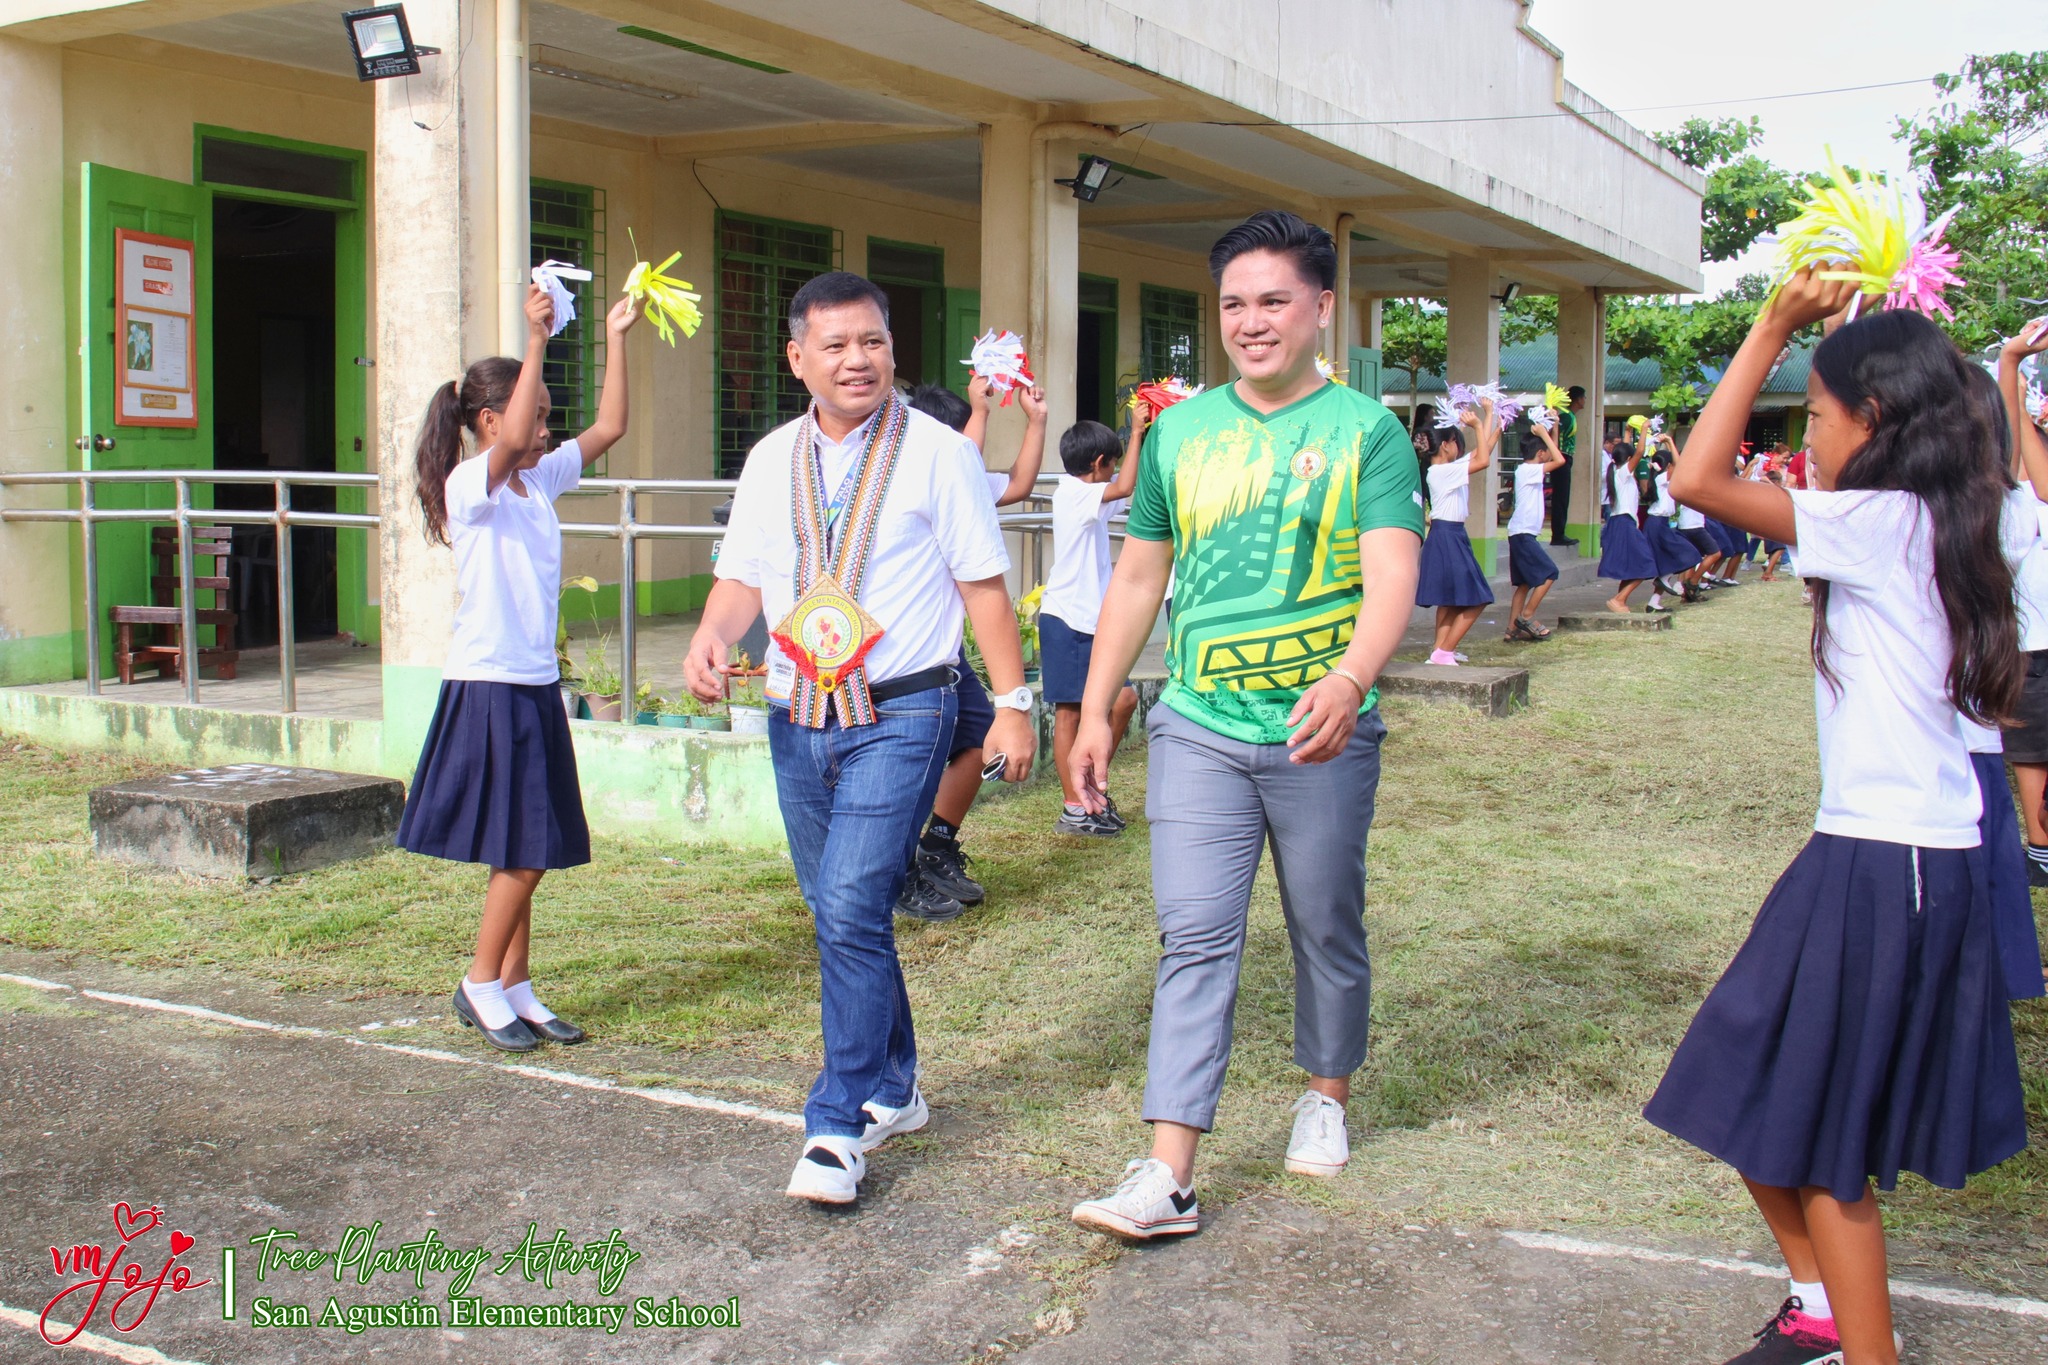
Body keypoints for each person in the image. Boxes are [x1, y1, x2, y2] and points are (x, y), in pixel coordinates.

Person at [1651, 271, 2027, 1365]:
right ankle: (1816, 1307)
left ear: (1871, 422)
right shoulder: (1948, 514)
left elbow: (1696, 478)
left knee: (1821, 1147)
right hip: (1886, 854)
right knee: (1735, 1077)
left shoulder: (1877, 519)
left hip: (1887, 863)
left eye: (1812, 414)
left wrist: (1769, 325)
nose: (1805, 434)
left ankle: (1861, 1349)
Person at [1062, 210, 1423, 1240]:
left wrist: (1352, 679)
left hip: (1319, 733)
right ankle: (1168, 1170)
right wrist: (1098, 709)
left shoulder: (1367, 432)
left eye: (1272, 301)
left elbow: (1393, 573)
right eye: (1232, 304)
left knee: (1322, 920)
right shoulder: (1178, 432)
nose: (1251, 322)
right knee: (1194, 936)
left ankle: (1324, 1092)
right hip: (1198, 724)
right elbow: (1138, 576)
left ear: (1319, 309)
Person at [683, 271, 1037, 1206]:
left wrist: (1013, 701)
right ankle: (897, 1084)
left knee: (846, 902)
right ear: (798, 358)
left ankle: (836, 1125)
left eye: (872, 342)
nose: (857, 359)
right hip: (798, 708)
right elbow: (745, 579)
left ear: (892, 350)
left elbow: (982, 585)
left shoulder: (936, 453)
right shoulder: (769, 460)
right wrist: (712, 636)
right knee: (842, 907)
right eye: (835, 345)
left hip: (905, 705)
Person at [395, 285, 642, 1053]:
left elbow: (611, 425)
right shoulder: (475, 484)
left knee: (523, 840)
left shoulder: (539, 481)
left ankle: (516, 983)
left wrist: (613, 334)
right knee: (530, 848)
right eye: (534, 413)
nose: (547, 425)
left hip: (532, 682)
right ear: (490, 421)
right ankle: (479, 980)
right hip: (490, 683)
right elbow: (507, 444)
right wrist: (536, 340)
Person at [895, 379, 1047, 921]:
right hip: (909, 658)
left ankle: (933, 849)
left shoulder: (955, 469)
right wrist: (982, 410)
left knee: (978, 738)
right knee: (906, 764)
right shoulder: (917, 471)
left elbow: (1021, 481)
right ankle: (905, 868)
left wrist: (1036, 422)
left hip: (945, 656)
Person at [1042, 414, 1144, 837]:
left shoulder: (1091, 495)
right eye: (1113, 463)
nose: (1117, 471)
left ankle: (1088, 791)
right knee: (1072, 713)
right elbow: (1124, 486)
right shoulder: (1073, 494)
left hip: (1092, 620)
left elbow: (1131, 487)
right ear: (1100, 463)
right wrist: (1137, 431)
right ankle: (1076, 807)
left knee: (1119, 702)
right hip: (1068, 618)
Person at [1996, 317, 2048, 901]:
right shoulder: (2018, 496)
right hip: (2032, 639)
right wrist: (2010, 364)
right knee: (2032, 743)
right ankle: (2040, 847)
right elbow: (2015, 454)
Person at [1416, 400, 1498, 665]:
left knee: (1448, 600)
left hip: (1449, 535)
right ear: (1445, 445)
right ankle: (1444, 651)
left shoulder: (1445, 469)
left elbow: (1482, 452)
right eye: (1456, 443)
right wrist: (1475, 424)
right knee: (1478, 598)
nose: (1460, 449)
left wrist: (1491, 416)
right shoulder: (1443, 472)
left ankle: (1439, 650)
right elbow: (1483, 460)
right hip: (1447, 536)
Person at [1506, 421, 1564, 640]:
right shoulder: (1529, 470)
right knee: (1550, 573)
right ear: (1540, 453)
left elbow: (1552, 453)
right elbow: (1559, 459)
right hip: (1522, 534)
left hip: (1522, 533)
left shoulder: (1529, 469)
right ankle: (1527, 615)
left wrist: (1553, 428)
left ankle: (1511, 630)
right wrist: (1542, 432)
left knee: (1524, 584)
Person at [1596, 439, 1656, 613]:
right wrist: (1644, 429)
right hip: (1624, 523)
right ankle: (1618, 599)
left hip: (1620, 522)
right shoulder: (1623, 472)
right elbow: (1640, 452)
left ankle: (1621, 601)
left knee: (1630, 567)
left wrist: (1629, 431)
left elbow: (1631, 450)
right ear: (1629, 459)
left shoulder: (1617, 471)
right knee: (1646, 565)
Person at [1639, 444, 1701, 612]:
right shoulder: (1661, 478)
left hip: (1660, 523)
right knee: (1688, 553)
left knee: (1669, 562)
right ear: (1667, 466)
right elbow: (1680, 465)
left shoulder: (1661, 478)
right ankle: (1662, 580)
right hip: (1657, 524)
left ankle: (1654, 601)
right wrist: (1669, 442)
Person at [1548, 385, 1584, 546]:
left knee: (1562, 497)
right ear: (1578, 399)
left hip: (1565, 458)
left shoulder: (1570, 417)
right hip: (1562, 458)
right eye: (1583, 397)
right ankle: (1558, 534)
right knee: (1561, 497)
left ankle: (1559, 533)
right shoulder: (1567, 417)